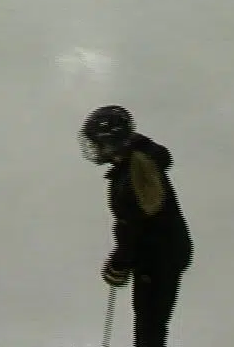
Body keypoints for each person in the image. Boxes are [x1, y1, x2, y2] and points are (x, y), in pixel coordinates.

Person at [81, 106, 192, 347]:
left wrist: (120, 262)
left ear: (110, 143)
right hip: (165, 251)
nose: (95, 149)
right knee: (151, 323)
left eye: (97, 143)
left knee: (149, 325)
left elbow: (135, 225)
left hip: (158, 257)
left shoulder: (135, 172)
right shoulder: (136, 160)